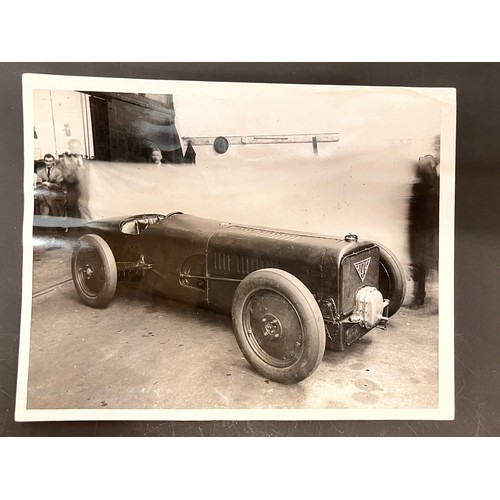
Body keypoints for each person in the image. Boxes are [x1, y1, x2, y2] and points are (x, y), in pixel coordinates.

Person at [408, 154, 440, 310]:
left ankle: (420, 297)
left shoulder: (428, 188)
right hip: (424, 233)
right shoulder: (429, 187)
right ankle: (419, 296)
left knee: (423, 265)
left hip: (426, 232)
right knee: (422, 265)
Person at [58, 139, 91, 220]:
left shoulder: (85, 161)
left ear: (81, 148)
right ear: (70, 149)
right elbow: (69, 178)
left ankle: (89, 228)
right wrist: (80, 169)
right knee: (74, 214)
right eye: (73, 147)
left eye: (78, 147)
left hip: (84, 191)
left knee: (85, 210)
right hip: (72, 192)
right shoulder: (65, 162)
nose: (76, 149)